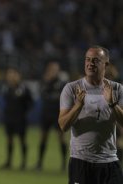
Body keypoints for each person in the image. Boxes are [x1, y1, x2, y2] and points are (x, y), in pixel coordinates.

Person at [59, 45, 123, 184]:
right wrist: (78, 106)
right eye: (87, 59)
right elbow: (63, 125)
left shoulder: (117, 89)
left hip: (109, 161)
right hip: (81, 162)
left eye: (95, 60)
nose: (90, 64)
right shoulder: (71, 88)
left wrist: (113, 104)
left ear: (106, 64)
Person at [35, 61, 68, 171]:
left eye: (55, 69)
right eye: (51, 68)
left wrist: (52, 95)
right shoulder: (44, 81)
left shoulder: (62, 82)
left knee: (61, 138)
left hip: (58, 114)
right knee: (43, 138)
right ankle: (39, 163)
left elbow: (63, 96)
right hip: (46, 113)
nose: (53, 71)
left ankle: (64, 164)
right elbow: (43, 94)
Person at [0, 67, 33, 170]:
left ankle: (23, 163)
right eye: (9, 75)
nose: (10, 77)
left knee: (22, 139)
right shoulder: (7, 88)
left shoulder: (24, 88)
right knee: (9, 139)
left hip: (20, 118)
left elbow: (31, 102)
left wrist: (23, 111)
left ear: (17, 76)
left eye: (12, 74)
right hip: (9, 117)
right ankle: (9, 162)